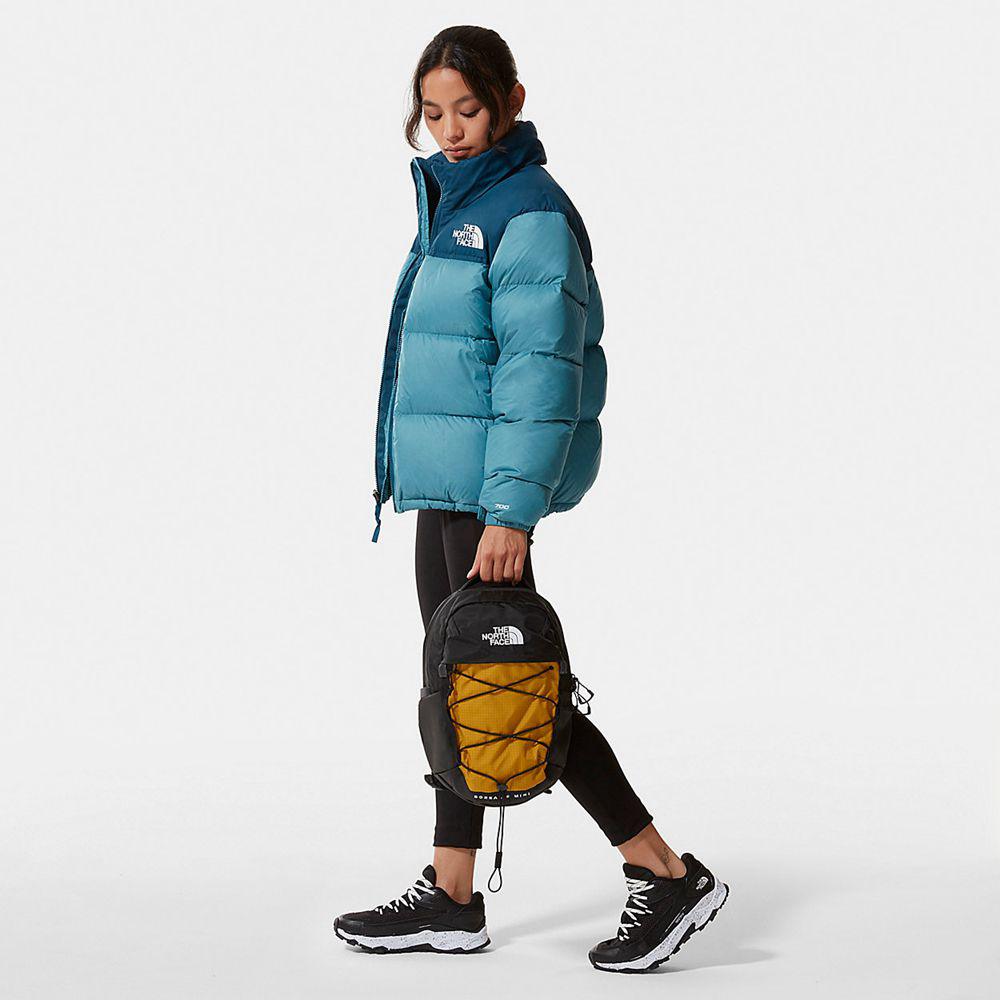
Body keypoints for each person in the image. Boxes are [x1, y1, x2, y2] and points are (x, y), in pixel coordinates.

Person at [335, 25, 728, 973]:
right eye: (433, 113)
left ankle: (665, 871)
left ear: (511, 100)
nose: (450, 130)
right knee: (460, 686)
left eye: (468, 110)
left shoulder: (528, 212)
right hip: (449, 487)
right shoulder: (458, 201)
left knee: (514, 688)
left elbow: (539, 371)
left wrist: (511, 513)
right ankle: (452, 894)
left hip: (487, 497)